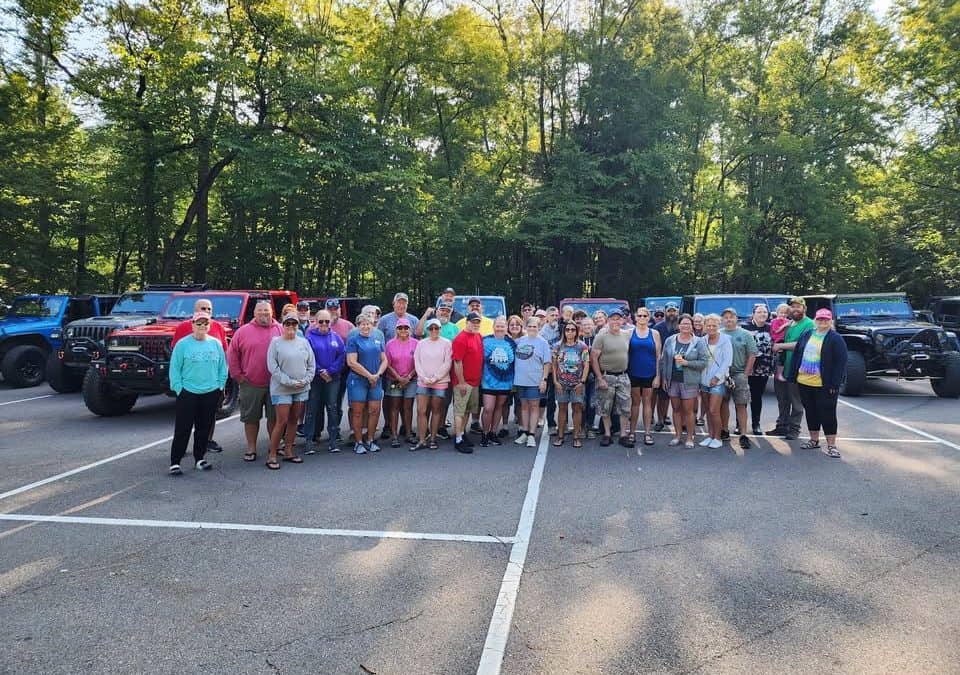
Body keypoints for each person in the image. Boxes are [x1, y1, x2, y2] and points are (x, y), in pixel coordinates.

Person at [168, 311, 227, 475]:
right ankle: (175, 462)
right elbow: (174, 369)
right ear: (192, 325)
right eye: (199, 323)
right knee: (183, 428)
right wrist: (179, 389)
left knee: (204, 427)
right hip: (188, 392)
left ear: (210, 325)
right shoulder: (182, 344)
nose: (202, 326)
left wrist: (220, 386)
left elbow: (223, 367)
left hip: (210, 392)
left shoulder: (215, 344)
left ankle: (199, 458)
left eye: (205, 323)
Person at [786, 308, 848, 458]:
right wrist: (793, 375)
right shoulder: (807, 334)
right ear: (815, 320)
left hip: (824, 384)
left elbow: (840, 363)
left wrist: (834, 384)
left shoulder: (835, 338)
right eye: (820, 319)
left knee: (827, 414)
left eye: (826, 319)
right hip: (804, 381)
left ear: (830, 321)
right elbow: (797, 355)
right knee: (811, 412)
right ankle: (814, 440)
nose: (822, 322)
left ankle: (831, 445)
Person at [227, 300, 282, 462]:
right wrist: (238, 376)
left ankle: (274, 446)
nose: (263, 313)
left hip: (276, 384)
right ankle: (251, 447)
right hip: (250, 383)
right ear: (254, 313)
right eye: (260, 310)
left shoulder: (280, 329)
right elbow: (232, 354)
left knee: (275, 418)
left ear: (272, 312)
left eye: (266, 310)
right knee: (251, 418)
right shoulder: (243, 331)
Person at [265, 312, 315, 469]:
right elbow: (272, 366)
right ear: (283, 325)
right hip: (282, 388)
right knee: (282, 421)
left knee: (294, 420)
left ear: (298, 326)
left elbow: (311, 364)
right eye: (288, 324)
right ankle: (272, 455)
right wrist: (288, 382)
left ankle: (288, 451)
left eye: (294, 324)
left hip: (301, 387)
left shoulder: (304, 342)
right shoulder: (276, 343)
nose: (291, 326)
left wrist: (306, 380)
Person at [659, 314, 707, 448]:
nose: (685, 326)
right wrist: (664, 378)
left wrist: (687, 363)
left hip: (689, 381)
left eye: (688, 324)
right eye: (683, 323)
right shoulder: (670, 340)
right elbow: (664, 360)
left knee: (688, 411)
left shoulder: (698, 342)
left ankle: (690, 438)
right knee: (676, 409)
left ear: (692, 326)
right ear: (678, 325)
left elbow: (703, 362)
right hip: (673, 380)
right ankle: (677, 436)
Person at [303, 309, 345, 455]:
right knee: (312, 409)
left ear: (330, 322)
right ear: (315, 322)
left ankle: (333, 440)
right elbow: (308, 357)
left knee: (332, 408)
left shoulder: (336, 337)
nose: (324, 324)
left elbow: (341, 356)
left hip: (333, 379)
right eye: (321, 321)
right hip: (315, 379)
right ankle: (309, 440)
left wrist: (330, 371)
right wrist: (320, 371)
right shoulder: (309, 338)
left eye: (327, 321)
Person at [770, 297, 813, 439]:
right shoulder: (789, 323)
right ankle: (782, 426)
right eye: (792, 307)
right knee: (782, 399)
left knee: (796, 401)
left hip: (797, 369)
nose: (795, 309)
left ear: (804, 308)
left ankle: (794, 429)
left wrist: (780, 346)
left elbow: (802, 344)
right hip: (783, 367)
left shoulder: (809, 324)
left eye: (798, 306)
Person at [591, 308, 633, 448]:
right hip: (606, 376)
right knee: (605, 407)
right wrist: (600, 378)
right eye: (613, 319)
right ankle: (607, 434)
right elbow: (594, 358)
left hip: (623, 376)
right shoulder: (601, 336)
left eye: (618, 319)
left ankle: (623, 435)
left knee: (625, 407)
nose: (615, 321)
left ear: (623, 320)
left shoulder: (626, 334)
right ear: (608, 320)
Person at [345, 314, 388, 454]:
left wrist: (378, 374)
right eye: (362, 324)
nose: (365, 326)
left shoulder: (377, 339)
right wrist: (369, 376)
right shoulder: (353, 340)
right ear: (358, 326)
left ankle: (370, 439)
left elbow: (384, 360)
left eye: (368, 324)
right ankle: (358, 442)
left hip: (375, 380)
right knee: (357, 412)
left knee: (374, 411)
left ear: (372, 325)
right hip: (358, 380)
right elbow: (351, 362)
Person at [719, 307, 758, 450]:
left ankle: (743, 434)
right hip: (723, 374)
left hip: (739, 373)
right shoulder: (718, 334)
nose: (728, 319)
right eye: (726, 317)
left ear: (736, 318)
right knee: (723, 403)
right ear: (722, 320)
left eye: (731, 317)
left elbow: (752, 354)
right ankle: (724, 430)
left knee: (741, 404)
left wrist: (745, 373)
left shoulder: (745, 334)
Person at [412, 318, 452, 450]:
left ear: (440, 329)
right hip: (423, 382)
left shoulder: (446, 343)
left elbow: (447, 362)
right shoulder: (421, 343)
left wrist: (435, 378)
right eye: (431, 328)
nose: (434, 330)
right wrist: (423, 377)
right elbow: (417, 361)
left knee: (436, 410)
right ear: (427, 330)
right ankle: (422, 439)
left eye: (436, 328)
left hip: (439, 382)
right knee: (421, 410)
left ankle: (433, 439)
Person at [513, 317, 552, 448]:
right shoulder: (520, 341)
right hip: (520, 380)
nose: (532, 329)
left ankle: (531, 434)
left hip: (535, 380)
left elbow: (547, 363)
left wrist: (544, 379)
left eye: (535, 326)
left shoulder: (543, 343)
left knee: (534, 406)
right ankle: (524, 432)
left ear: (539, 328)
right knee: (524, 406)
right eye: (529, 326)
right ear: (526, 327)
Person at [627, 307, 661, 446]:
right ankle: (632, 432)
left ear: (648, 318)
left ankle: (647, 433)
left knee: (647, 403)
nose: (642, 318)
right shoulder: (629, 332)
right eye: (639, 316)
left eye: (645, 316)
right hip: (633, 373)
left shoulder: (654, 333)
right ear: (635, 317)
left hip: (649, 373)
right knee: (635, 403)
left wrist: (658, 376)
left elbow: (658, 356)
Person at [451, 312, 485, 453]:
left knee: (467, 411)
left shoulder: (478, 336)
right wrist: (461, 382)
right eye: (473, 322)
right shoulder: (460, 339)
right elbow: (457, 362)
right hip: (463, 382)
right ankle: (458, 440)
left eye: (478, 322)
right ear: (467, 322)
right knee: (460, 411)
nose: (475, 324)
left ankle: (462, 434)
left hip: (475, 381)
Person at [553, 321, 589, 448]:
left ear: (576, 332)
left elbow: (586, 364)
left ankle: (576, 437)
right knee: (562, 409)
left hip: (577, 383)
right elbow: (554, 364)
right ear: (564, 331)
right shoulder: (557, 346)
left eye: (572, 330)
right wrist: (555, 381)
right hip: (562, 383)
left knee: (577, 409)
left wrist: (582, 382)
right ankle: (560, 436)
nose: (569, 332)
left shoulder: (582, 346)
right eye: (567, 329)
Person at [480, 316, 516, 447]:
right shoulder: (485, 341)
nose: (500, 328)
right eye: (498, 325)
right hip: (488, 381)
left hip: (505, 381)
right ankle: (485, 433)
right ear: (493, 326)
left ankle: (493, 433)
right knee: (488, 408)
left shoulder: (511, 343)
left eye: (502, 326)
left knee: (499, 407)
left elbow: (514, 362)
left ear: (506, 328)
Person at [385, 317, 418, 447]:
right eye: (400, 328)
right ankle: (394, 436)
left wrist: (409, 377)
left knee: (408, 407)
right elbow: (387, 364)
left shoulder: (416, 343)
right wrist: (399, 378)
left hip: (411, 379)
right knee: (394, 407)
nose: (403, 330)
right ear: (396, 330)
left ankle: (408, 434)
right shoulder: (390, 344)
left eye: (406, 327)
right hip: (394, 379)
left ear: (410, 329)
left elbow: (419, 362)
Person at [699, 314, 732, 449]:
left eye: (714, 325)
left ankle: (718, 438)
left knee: (714, 410)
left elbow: (727, 361)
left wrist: (717, 377)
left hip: (718, 381)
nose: (711, 328)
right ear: (705, 326)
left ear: (719, 326)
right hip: (703, 380)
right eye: (709, 325)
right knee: (707, 410)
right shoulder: (702, 340)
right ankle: (711, 436)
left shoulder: (725, 340)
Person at [744, 303, 774, 436]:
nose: (762, 314)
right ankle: (740, 424)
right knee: (743, 397)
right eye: (759, 312)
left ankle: (756, 424)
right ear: (753, 314)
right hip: (746, 368)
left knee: (757, 397)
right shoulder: (744, 327)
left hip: (763, 369)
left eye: (764, 312)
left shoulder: (771, 327)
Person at [326, 298, 354, 443]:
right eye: (330, 309)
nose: (333, 312)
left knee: (337, 401)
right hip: (323, 370)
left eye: (335, 309)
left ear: (339, 310)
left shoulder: (348, 326)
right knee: (320, 402)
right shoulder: (318, 324)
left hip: (344, 370)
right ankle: (316, 431)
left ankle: (335, 429)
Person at [435, 301, 460, 440]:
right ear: (437, 311)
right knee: (431, 401)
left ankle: (441, 426)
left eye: (447, 311)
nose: (444, 312)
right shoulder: (430, 325)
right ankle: (429, 426)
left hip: (449, 370)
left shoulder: (455, 328)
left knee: (445, 400)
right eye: (442, 310)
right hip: (432, 368)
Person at [652, 301, 680, 431]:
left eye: (674, 311)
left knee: (674, 394)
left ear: (678, 312)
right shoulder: (658, 327)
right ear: (665, 312)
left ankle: (667, 416)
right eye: (669, 311)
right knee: (661, 395)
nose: (672, 313)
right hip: (663, 364)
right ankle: (660, 420)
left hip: (679, 365)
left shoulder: (681, 326)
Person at [579, 317, 598, 439]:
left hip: (594, 375)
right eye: (585, 324)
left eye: (589, 324)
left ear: (593, 325)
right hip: (580, 376)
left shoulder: (597, 339)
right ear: (581, 326)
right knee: (581, 401)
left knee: (592, 402)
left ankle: (590, 426)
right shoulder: (578, 340)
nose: (587, 327)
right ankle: (581, 426)